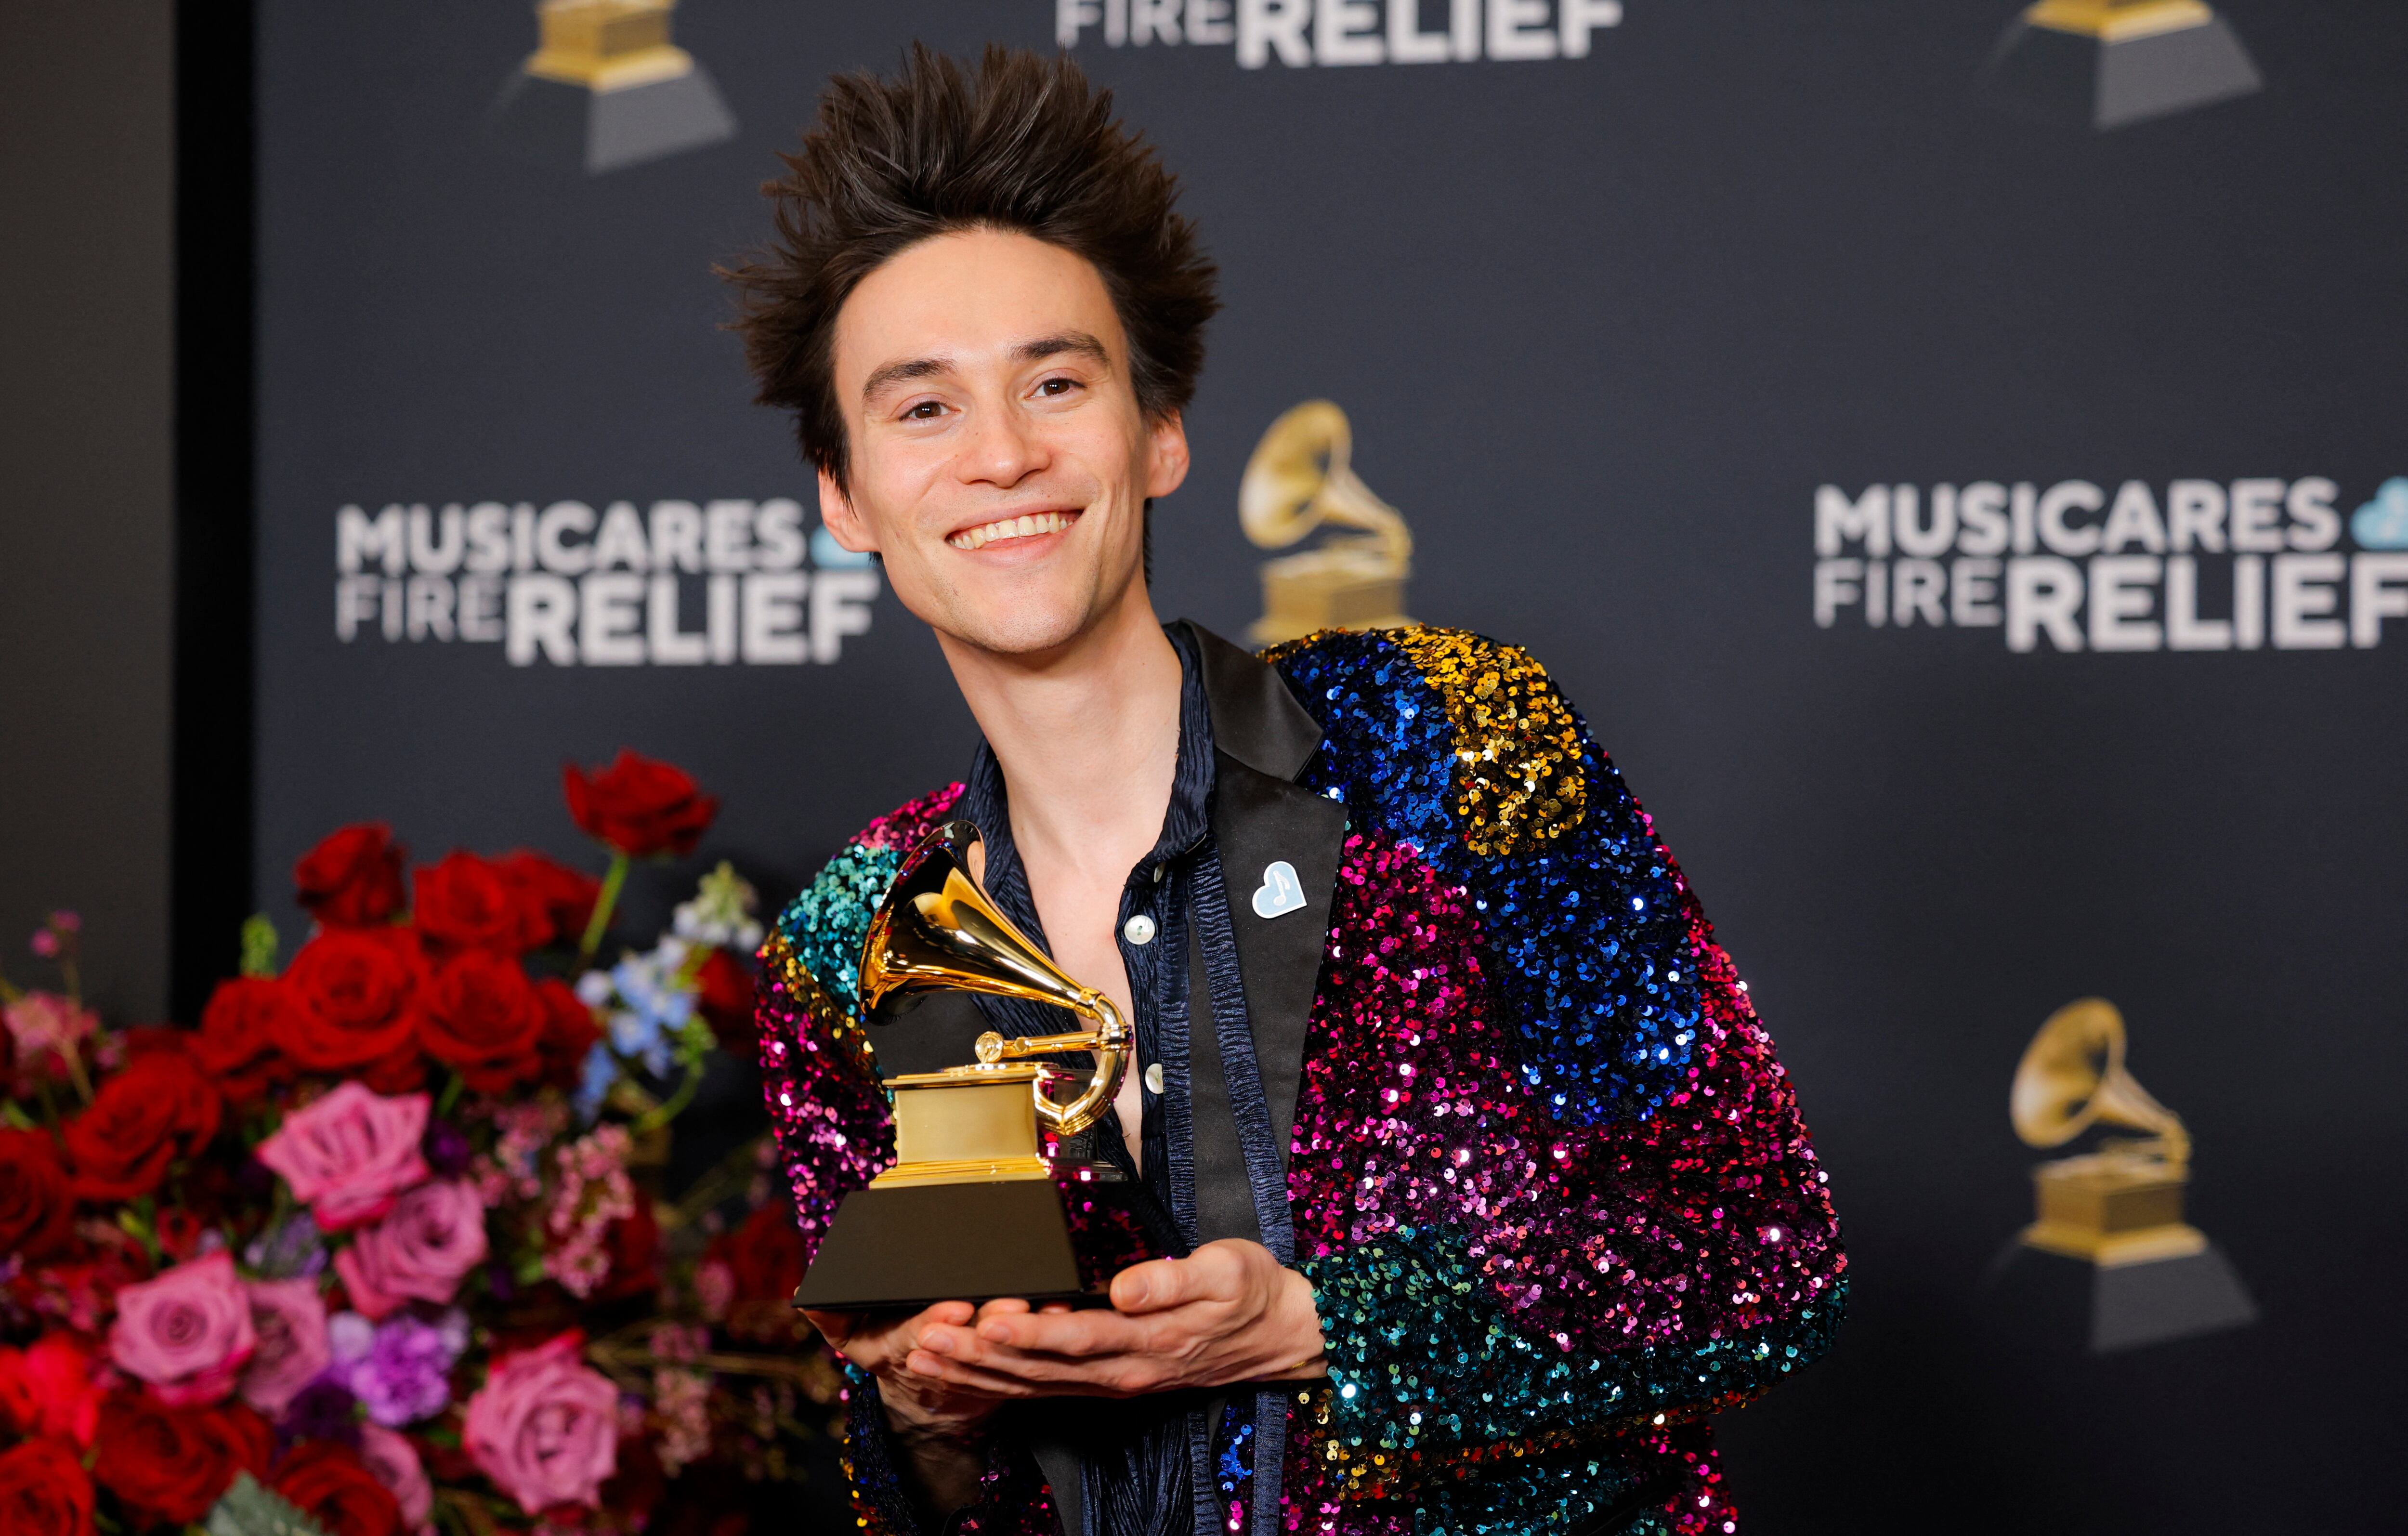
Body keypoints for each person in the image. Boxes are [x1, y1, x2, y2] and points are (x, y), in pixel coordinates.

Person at [729, 45, 1844, 1536]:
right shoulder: (848, 944)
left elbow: (1755, 1249)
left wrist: (1320, 1325)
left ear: (1160, 432)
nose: (1001, 456)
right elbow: (941, 1498)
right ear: (846, 496)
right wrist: (931, 1421)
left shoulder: (1451, 747)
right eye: (921, 409)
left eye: (1056, 382)